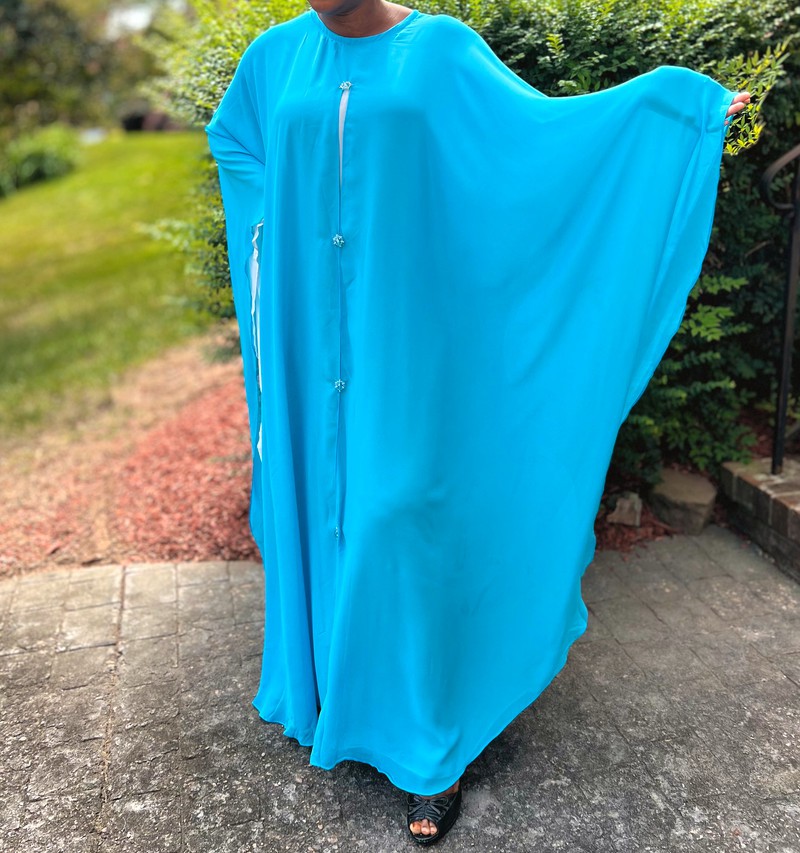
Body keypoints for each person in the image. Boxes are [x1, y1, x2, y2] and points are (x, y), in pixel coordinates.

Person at [204, 0, 751, 844]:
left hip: (411, 347)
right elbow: (235, 142)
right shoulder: (273, 58)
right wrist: (277, 239)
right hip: (312, 344)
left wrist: (676, 113)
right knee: (322, 508)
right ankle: (329, 692)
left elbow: (538, 151)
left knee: (398, 514)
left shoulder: (441, 52)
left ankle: (429, 751)